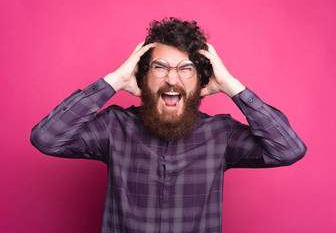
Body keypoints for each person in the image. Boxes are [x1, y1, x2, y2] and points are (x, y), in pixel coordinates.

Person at [31, 17, 306, 233]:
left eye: (186, 68)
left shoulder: (221, 135)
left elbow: (288, 149)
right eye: (160, 67)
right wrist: (113, 81)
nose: (172, 80)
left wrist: (233, 87)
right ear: (142, 77)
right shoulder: (114, 127)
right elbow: (47, 138)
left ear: (201, 80)